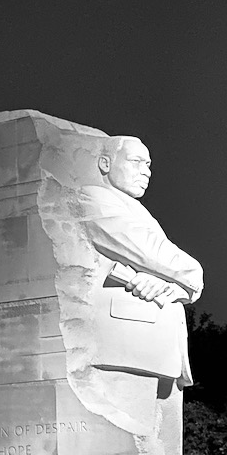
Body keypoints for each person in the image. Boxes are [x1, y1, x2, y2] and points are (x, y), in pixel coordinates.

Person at [78, 136, 203, 387]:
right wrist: (193, 272)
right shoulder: (91, 198)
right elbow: (150, 251)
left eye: (148, 165)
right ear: (105, 163)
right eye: (136, 162)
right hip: (125, 342)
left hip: (160, 347)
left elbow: (161, 266)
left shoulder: (137, 210)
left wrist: (171, 286)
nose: (145, 172)